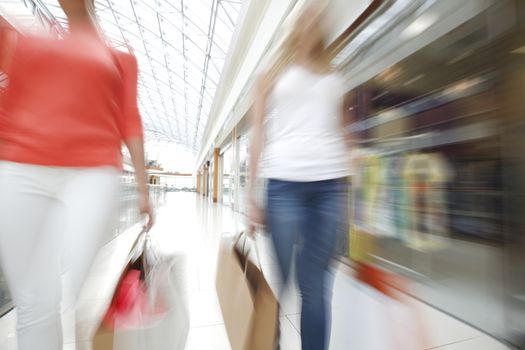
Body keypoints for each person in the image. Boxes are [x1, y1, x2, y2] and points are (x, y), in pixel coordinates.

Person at [0, 1, 153, 349]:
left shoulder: (120, 57)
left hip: (93, 172)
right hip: (19, 169)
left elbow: (129, 119)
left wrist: (144, 189)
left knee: (85, 296)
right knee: (34, 302)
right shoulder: (21, 40)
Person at [247, 2, 351, 350]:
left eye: (320, 17)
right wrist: (251, 196)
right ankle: (269, 340)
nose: (313, 21)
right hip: (283, 185)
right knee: (282, 280)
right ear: (295, 22)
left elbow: (342, 134)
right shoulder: (272, 70)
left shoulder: (335, 75)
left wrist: (352, 195)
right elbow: (257, 133)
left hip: (329, 186)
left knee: (316, 285)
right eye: (307, 14)